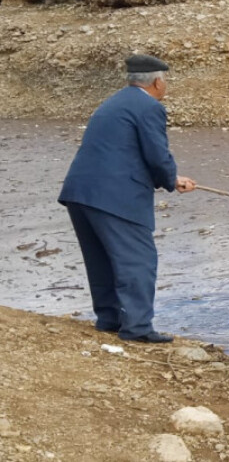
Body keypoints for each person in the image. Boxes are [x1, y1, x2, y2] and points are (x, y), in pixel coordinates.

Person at [58, 54, 197, 343]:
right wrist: (170, 178)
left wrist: (171, 179)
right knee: (138, 261)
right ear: (157, 82)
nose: (166, 86)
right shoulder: (149, 107)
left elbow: (120, 150)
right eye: (166, 81)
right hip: (115, 197)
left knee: (101, 259)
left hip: (80, 193)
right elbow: (157, 155)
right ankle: (137, 328)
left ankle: (110, 319)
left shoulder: (113, 102)